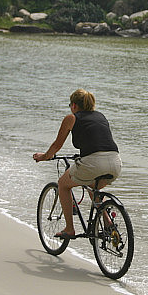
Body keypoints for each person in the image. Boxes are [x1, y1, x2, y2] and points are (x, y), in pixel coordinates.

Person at [33, 89, 121, 239]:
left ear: (74, 105)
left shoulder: (71, 118)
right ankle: (108, 224)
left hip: (93, 163)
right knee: (92, 186)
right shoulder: (101, 116)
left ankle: (69, 229)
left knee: (63, 184)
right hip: (115, 163)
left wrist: (44, 157)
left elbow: (57, 145)